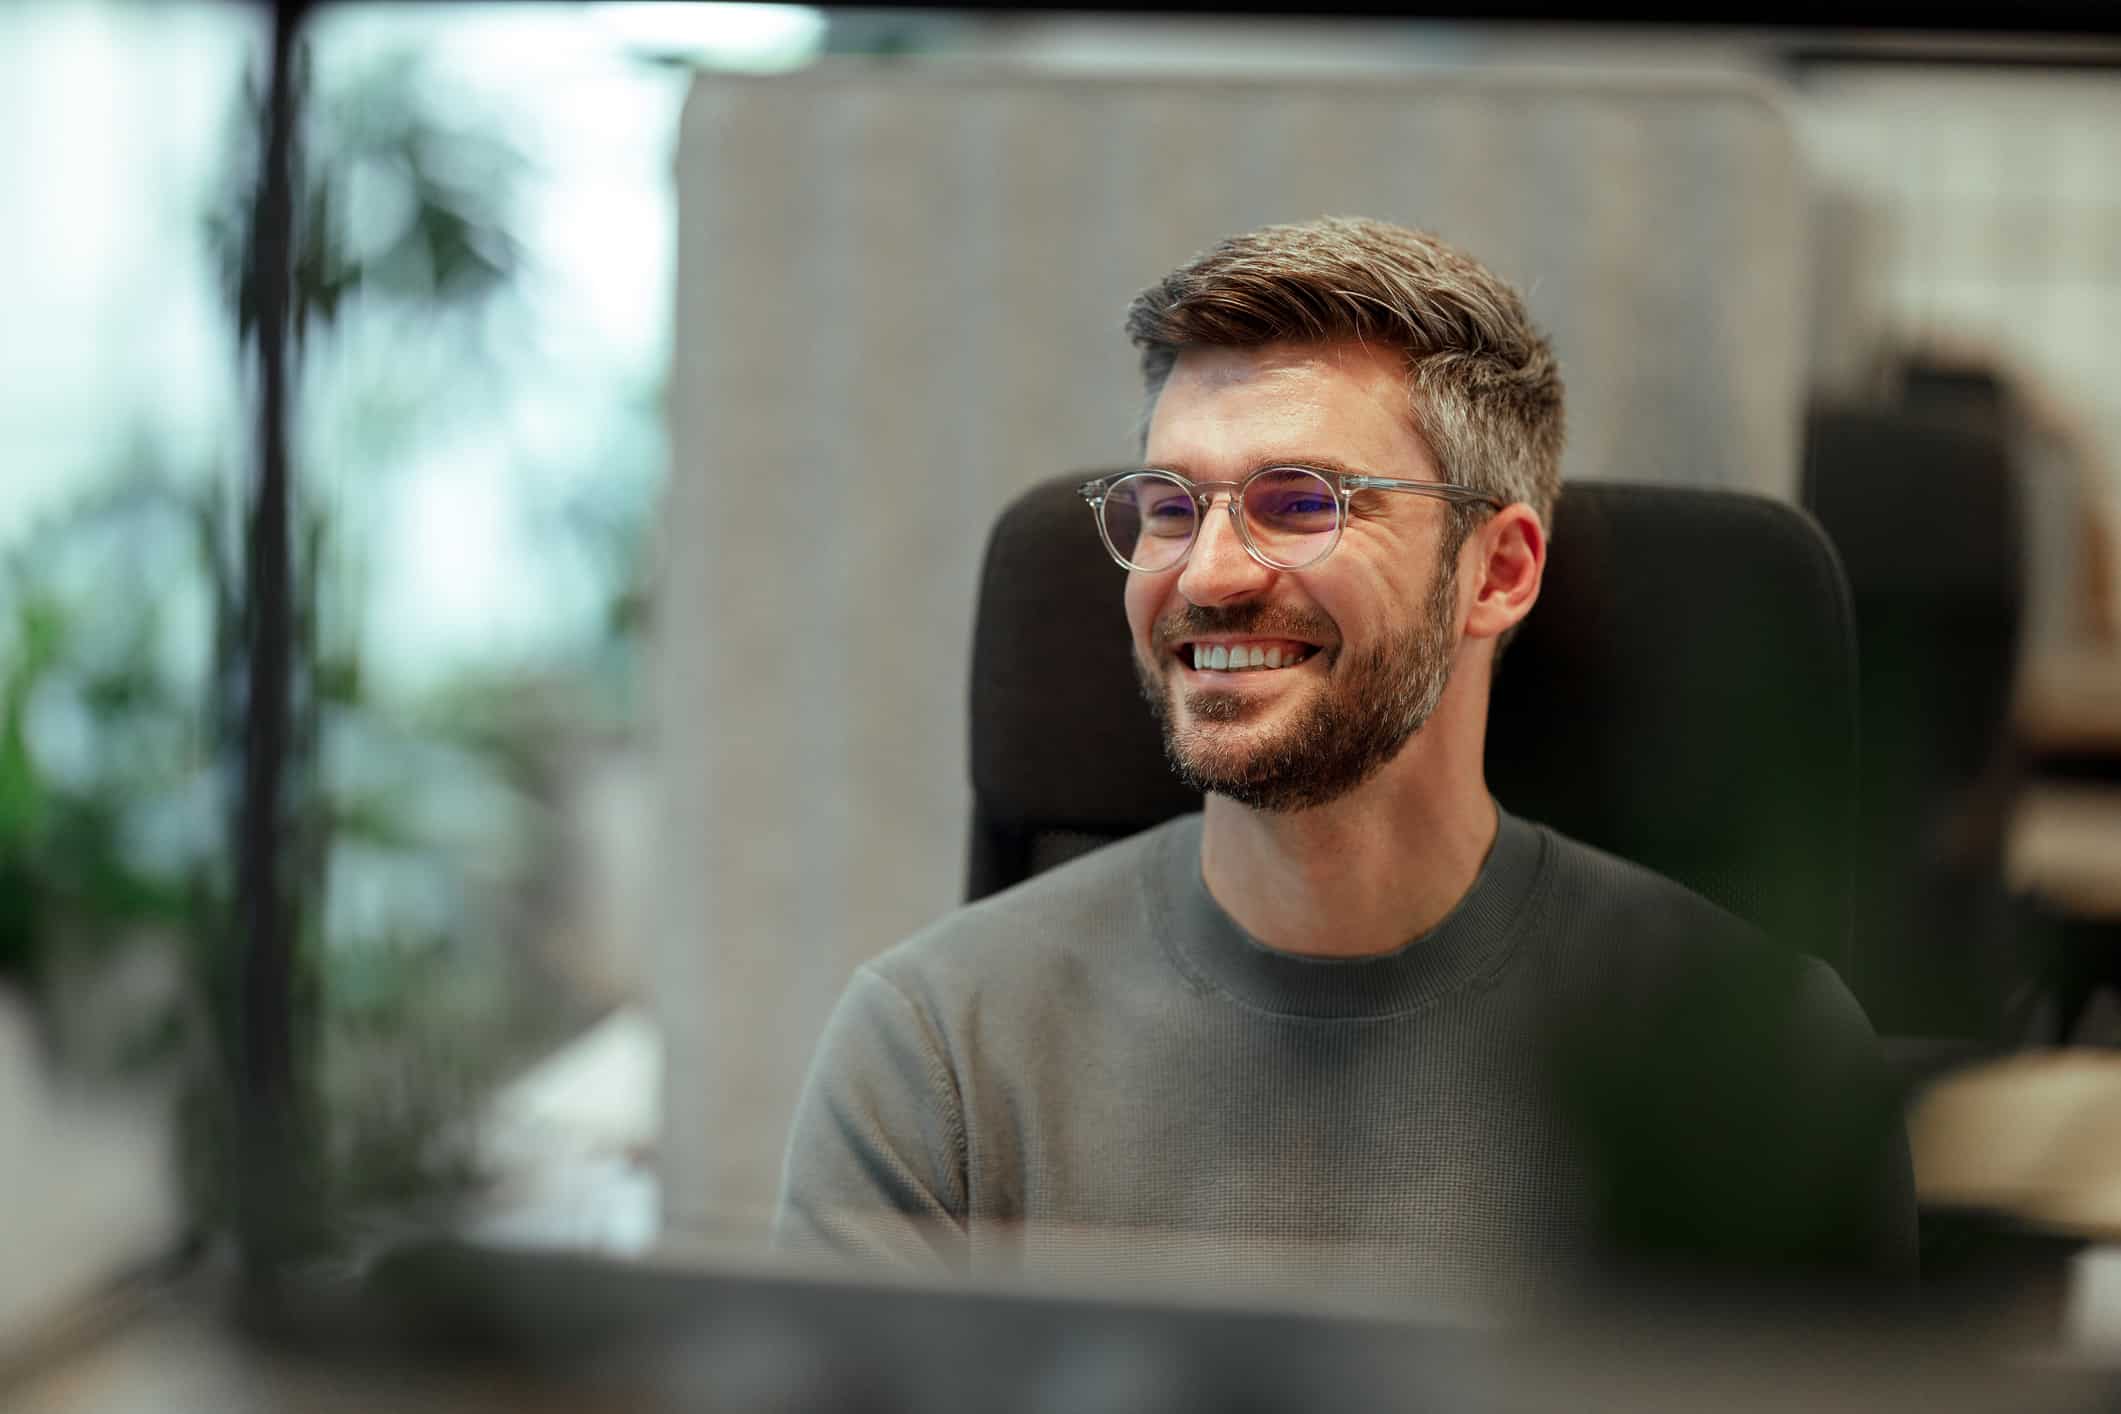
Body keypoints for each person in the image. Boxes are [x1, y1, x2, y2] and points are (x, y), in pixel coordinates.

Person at [772, 216, 1916, 1309]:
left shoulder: (1765, 1069)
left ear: (1500, 571)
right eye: (1171, 507)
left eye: (1301, 501)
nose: (1210, 573)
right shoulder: (935, 1056)